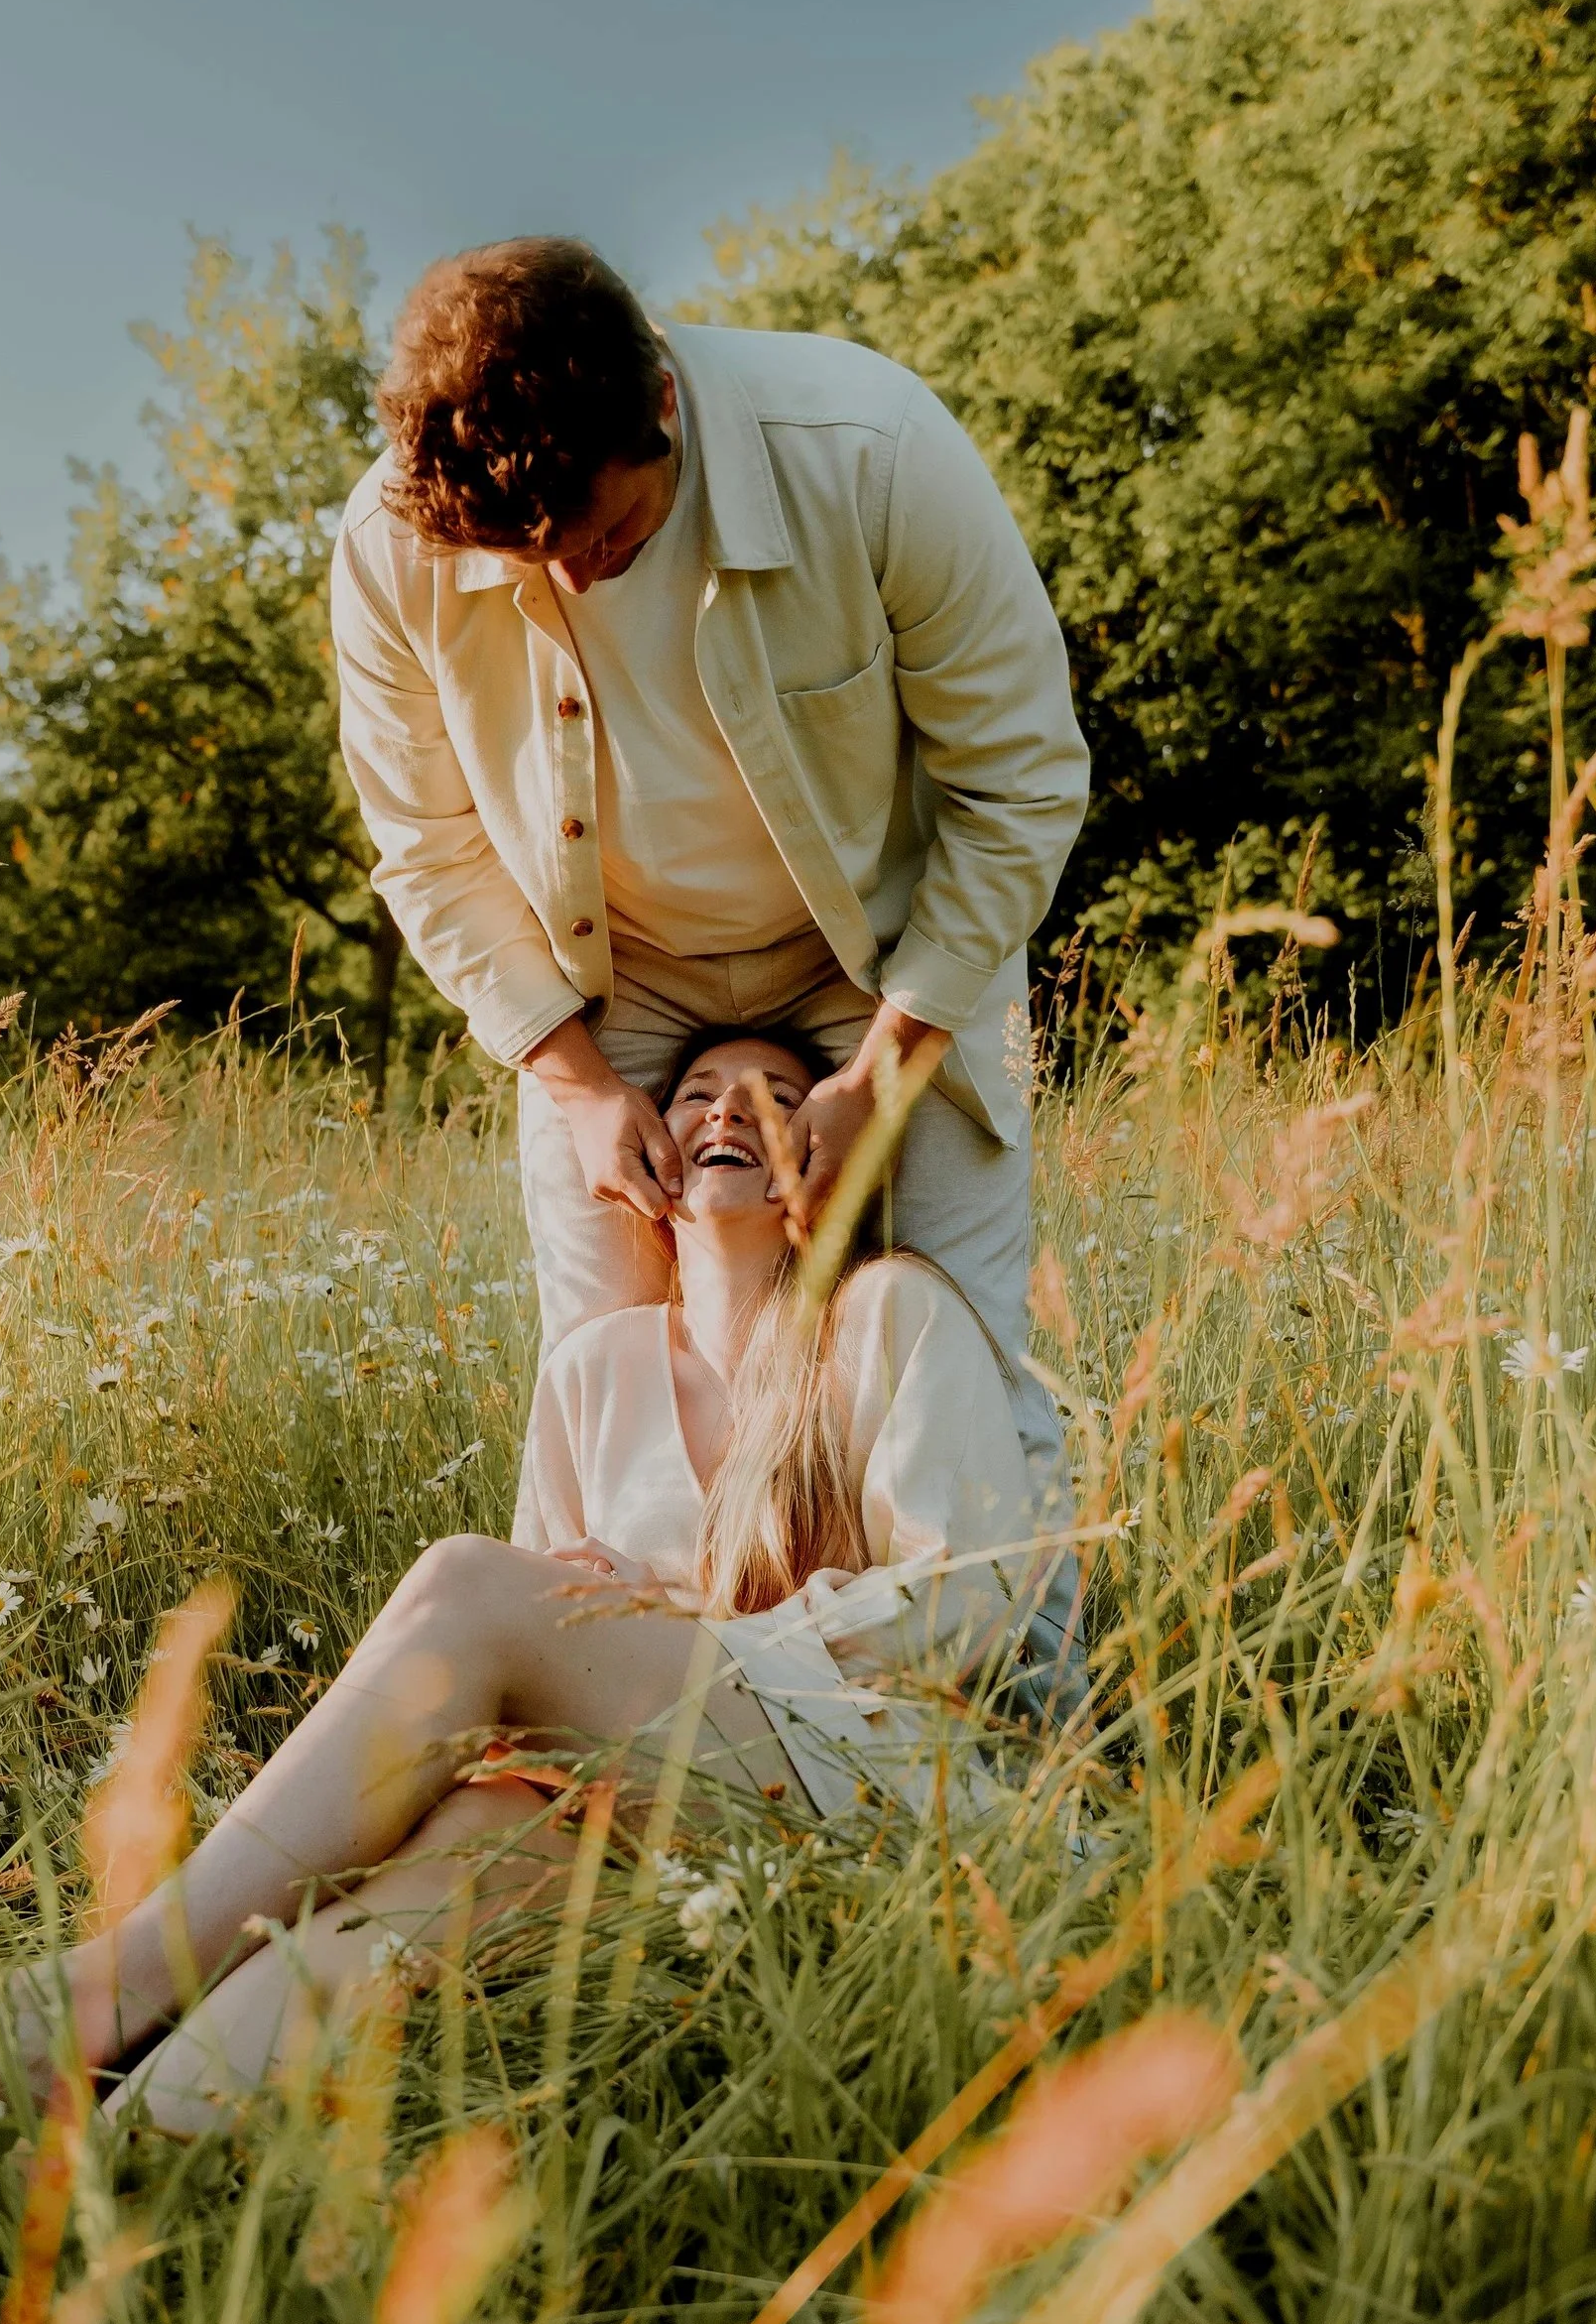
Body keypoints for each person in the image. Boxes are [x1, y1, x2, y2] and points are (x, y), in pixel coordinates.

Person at [0, 1030, 1050, 2136]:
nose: (731, 1108)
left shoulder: (887, 1312)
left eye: (780, 1094)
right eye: (694, 1092)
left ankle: (72, 2003)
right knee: (426, 1883)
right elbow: (532, 1647)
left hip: (849, 1783)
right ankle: (112, 2144)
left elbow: (970, 1597)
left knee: (465, 1579)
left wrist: (682, 1627)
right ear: (649, 1151)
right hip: (624, 1806)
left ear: (826, 1160)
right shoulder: (594, 1369)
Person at [327, 236, 1089, 1665]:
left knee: (961, 1346)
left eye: (600, 537)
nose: (569, 576)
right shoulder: (388, 550)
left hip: (888, 940)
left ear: (662, 406)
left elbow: (1023, 784)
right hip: (606, 971)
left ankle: (1040, 1765)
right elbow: (430, 853)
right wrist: (571, 1081)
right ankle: (621, 1788)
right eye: (528, 560)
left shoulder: (867, 448)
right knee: (606, 1360)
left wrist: (890, 1061)